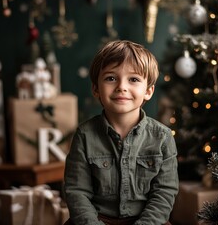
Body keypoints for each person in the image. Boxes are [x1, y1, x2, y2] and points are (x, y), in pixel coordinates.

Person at [64, 40, 179, 225]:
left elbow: (164, 193)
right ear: (95, 89)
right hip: (96, 220)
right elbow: (77, 192)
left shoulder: (163, 137)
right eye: (111, 78)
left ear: (148, 91)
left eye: (133, 79)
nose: (121, 87)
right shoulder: (84, 135)